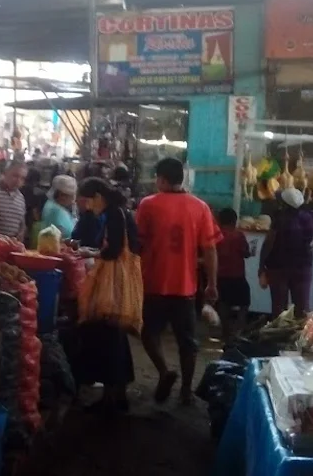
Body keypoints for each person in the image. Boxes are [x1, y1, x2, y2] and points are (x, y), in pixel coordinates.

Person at [136, 157, 220, 405]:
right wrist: (212, 283)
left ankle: (164, 371)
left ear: (161, 179)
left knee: (149, 333)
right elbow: (210, 249)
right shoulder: (200, 207)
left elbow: (137, 242)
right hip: (185, 287)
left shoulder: (148, 205)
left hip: (153, 283)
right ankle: (185, 390)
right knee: (188, 342)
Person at [75, 177, 139, 413]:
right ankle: (115, 396)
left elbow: (113, 251)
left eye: (89, 201)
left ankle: (113, 398)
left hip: (115, 284)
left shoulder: (114, 215)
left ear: (98, 197)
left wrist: (88, 253)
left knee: (110, 337)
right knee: (114, 338)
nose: (88, 207)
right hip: (118, 281)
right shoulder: (117, 212)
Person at [260, 187, 313, 318]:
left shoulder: (280, 219)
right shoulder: (310, 217)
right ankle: (300, 336)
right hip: (303, 266)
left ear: (284, 204)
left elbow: (268, 244)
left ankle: (280, 335)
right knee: (302, 307)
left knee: (279, 308)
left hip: (278, 267)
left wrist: (261, 268)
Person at [215, 208, 252, 342]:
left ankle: (226, 332)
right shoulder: (239, 235)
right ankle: (237, 331)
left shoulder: (216, 235)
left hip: (221, 275)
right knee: (244, 303)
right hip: (237, 275)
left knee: (223, 303)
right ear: (235, 221)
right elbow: (246, 253)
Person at [41, 175, 77, 240]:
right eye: (71, 196)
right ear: (62, 195)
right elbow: (60, 235)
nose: (73, 201)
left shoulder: (53, 205)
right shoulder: (55, 210)